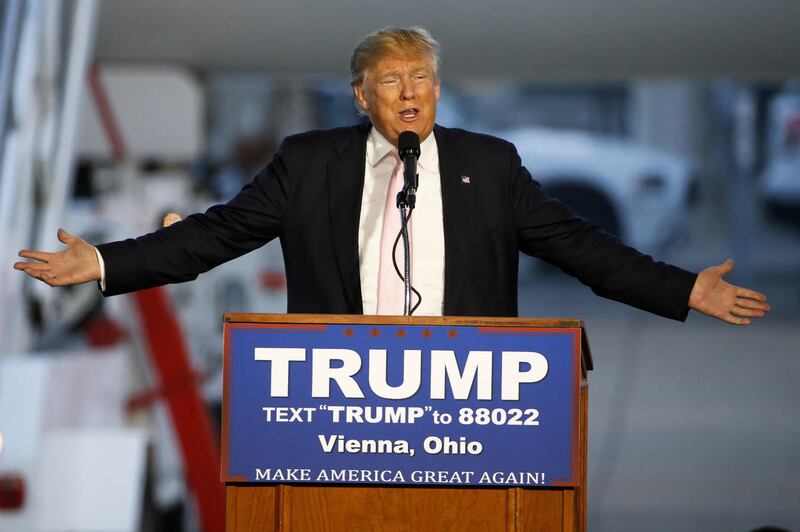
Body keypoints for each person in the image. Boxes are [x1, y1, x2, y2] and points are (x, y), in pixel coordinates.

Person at [14, 27, 769, 325]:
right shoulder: (310, 165)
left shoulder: (489, 166)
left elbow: (583, 249)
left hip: (467, 418)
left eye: (422, 78)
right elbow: (215, 237)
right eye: (391, 80)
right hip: (339, 419)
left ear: (438, 90)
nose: (410, 92)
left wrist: (684, 287)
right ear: (361, 95)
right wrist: (108, 261)